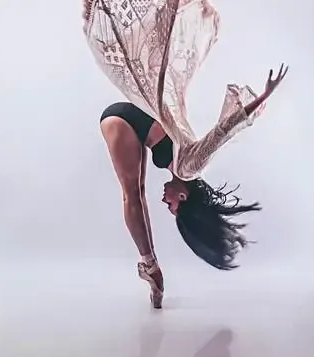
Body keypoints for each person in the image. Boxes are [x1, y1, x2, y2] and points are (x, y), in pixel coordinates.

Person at [85, 0, 288, 306]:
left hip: (130, 125)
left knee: (136, 192)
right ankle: (150, 266)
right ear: (183, 197)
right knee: (133, 195)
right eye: (172, 207)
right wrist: (262, 97)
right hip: (121, 121)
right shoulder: (190, 166)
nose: (166, 201)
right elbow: (222, 133)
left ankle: (151, 268)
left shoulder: (182, 167)